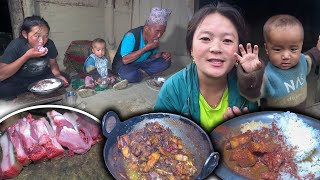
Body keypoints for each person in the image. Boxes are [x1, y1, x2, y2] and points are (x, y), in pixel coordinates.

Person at [154, 2, 259, 133]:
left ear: (238, 49)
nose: (216, 48)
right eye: (205, 38)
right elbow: (157, 138)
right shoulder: (173, 90)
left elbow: (257, 136)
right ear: (191, 48)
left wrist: (240, 135)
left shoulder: (246, 90)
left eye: (227, 40)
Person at [236, 14, 320, 113]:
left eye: (293, 49)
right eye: (277, 49)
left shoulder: (302, 61)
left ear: (301, 47)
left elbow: (312, 58)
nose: (286, 56)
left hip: (299, 118)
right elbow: (251, 93)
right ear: (267, 48)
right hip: (274, 122)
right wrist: (251, 74)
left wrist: (318, 50)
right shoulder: (265, 73)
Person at [0, 15, 69, 100]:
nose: (42, 41)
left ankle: (33, 92)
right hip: (19, 79)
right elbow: (1, 75)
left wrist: (58, 75)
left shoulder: (49, 44)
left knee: (65, 78)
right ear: (25, 34)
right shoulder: (16, 45)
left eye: (46, 36)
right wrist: (26, 56)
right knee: (3, 89)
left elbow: (53, 63)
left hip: (41, 76)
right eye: (37, 36)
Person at [112, 7, 172, 83]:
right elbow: (125, 60)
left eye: (162, 32)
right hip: (124, 66)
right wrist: (146, 48)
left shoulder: (154, 39)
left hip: (140, 64)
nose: (159, 35)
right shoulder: (131, 35)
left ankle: (141, 73)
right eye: (157, 31)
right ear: (146, 28)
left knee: (166, 62)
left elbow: (150, 57)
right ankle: (145, 73)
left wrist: (161, 55)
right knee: (129, 75)